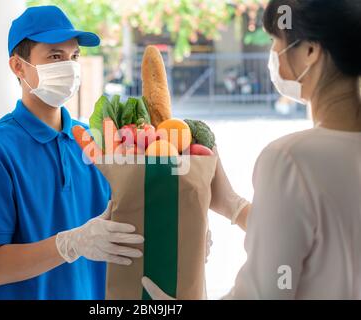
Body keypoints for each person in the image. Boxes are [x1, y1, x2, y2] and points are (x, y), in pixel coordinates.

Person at [143, 0, 361, 300]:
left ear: (311, 51)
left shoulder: (290, 159)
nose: (273, 55)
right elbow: (325, 241)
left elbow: (264, 293)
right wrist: (233, 205)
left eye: (276, 41)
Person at [0, 6, 145, 300]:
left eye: (74, 57)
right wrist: (69, 243)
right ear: (18, 66)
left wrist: (177, 234)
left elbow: (127, 228)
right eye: (55, 56)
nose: (69, 67)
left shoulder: (97, 143)